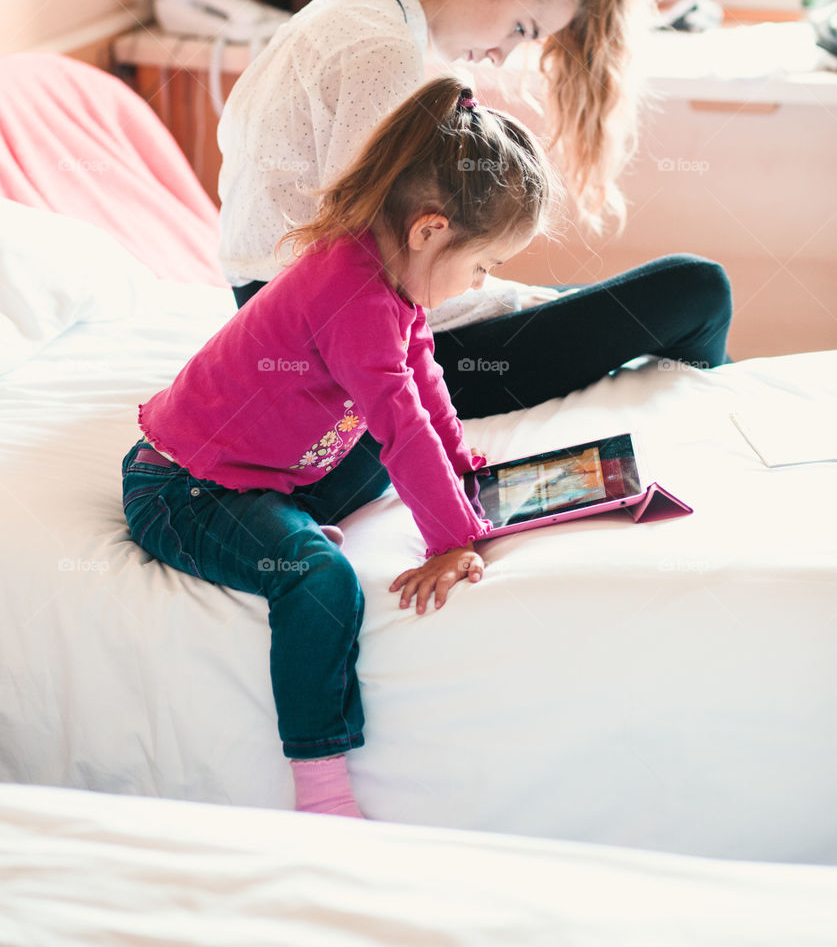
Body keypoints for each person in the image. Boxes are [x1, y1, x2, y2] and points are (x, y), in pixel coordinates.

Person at [122, 76, 561, 820]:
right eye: (482, 265)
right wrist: (450, 540)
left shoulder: (385, 271)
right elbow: (398, 422)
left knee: (388, 468)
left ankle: (294, 519)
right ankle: (321, 785)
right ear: (429, 231)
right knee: (320, 578)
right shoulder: (351, 293)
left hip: (263, 475)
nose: (481, 283)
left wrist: (462, 474)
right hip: (183, 492)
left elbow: (423, 384)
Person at [217, 0, 732, 421]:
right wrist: (513, 301)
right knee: (695, 289)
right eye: (521, 28)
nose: (501, 55)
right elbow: (380, 270)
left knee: (616, 297)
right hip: (331, 351)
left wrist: (518, 300)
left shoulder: (347, 15)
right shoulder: (378, 50)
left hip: (291, 320)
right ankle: (709, 438)